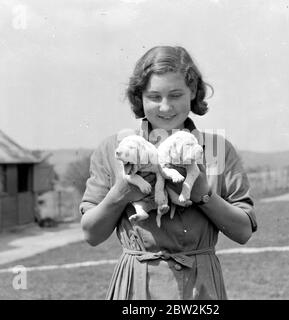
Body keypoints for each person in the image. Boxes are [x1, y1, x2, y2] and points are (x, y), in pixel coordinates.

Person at [79, 46, 257, 300]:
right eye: (154, 96)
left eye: (175, 95)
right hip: (137, 290)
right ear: (139, 96)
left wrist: (203, 195)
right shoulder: (115, 149)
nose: (165, 107)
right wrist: (120, 193)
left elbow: (243, 232)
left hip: (201, 290)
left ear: (193, 91)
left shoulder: (218, 149)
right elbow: (91, 234)